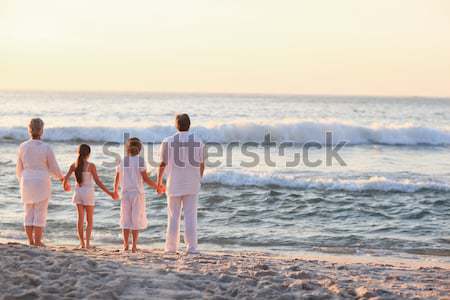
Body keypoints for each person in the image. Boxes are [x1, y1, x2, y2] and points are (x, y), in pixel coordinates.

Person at [157, 113, 205, 254]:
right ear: (189, 125)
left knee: (173, 216)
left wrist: (159, 181)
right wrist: (199, 178)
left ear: (176, 125)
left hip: (174, 183)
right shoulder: (198, 141)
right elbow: (202, 164)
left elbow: (162, 164)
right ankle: (192, 248)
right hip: (192, 183)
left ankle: (171, 248)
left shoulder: (168, 141)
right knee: (191, 216)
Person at [16, 118, 66, 246]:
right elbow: (54, 167)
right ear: (42, 130)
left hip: (26, 180)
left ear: (29, 130)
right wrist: (61, 178)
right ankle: (38, 241)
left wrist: (22, 180)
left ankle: (31, 241)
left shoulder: (22, 146)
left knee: (28, 211)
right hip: (41, 182)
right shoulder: (46, 147)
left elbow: (19, 168)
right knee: (40, 212)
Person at [114, 137, 165, 253]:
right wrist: (157, 186)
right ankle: (134, 246)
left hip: (125, 193)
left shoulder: (122, 160)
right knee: (135, 220)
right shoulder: (140, 161)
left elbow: (117, 177)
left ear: (127, 148)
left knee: (125, 219)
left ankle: (125, 245)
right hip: (137, 193)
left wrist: (115, 190)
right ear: (140, 149)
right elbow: (145, 179)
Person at [63, 144, 117, 249]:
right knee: (89, 220)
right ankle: (87, 243)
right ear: (88, 154)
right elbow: (98, 182)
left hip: (78, 193)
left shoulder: (74, 165)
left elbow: (65, 178)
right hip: (88, 193)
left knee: (80, 219)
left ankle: (81, 243)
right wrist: (110, 193)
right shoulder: (91, 166)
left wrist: (66, 186)